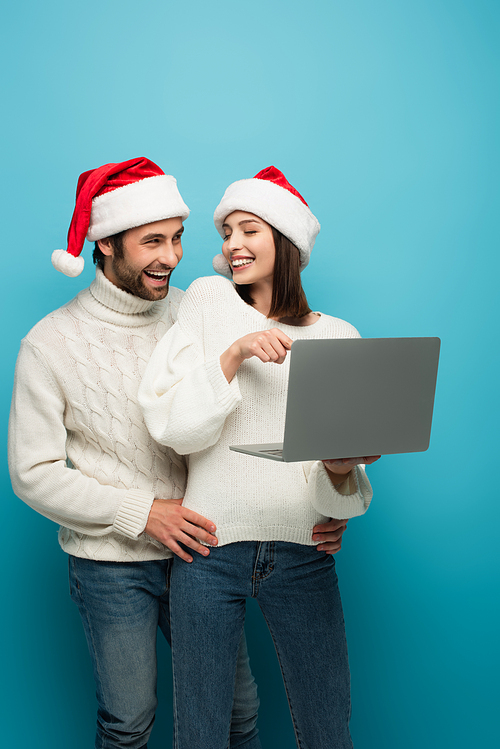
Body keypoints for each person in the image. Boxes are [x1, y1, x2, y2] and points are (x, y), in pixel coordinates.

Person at [8, 157, 262, 749]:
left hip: (203, 549)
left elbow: (247, 409)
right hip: (110, 565)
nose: (171, 257)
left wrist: (333, 483)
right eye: (152, 241)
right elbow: (32, 473)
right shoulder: (49, 344)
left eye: (177, 239)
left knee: (238, 713)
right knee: (129, 722)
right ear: (105, 244)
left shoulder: (194, 314)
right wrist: (144, 512)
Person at [139, 166, 380, 748]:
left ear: (286, 240)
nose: (232, 246)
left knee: (327, 729)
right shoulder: (206, 301)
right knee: (200, 732)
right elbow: (172, 427)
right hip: (210, 551)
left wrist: (343, 470)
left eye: (249, 230)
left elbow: (339, 491)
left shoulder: (339, 337)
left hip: (303, 554)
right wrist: (235, 354)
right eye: (227, 234)